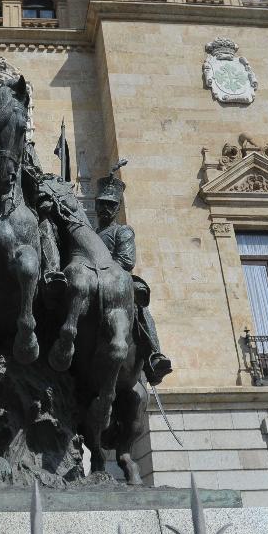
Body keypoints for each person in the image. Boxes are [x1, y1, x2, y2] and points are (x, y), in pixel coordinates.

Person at [94, 162, 173, 385]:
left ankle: (154, 354)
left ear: (117, 207)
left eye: (109, 205)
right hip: (95, 276)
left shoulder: (123, 231)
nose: (104, 209)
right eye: (101, 204)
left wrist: (104, 271)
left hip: (118, 277)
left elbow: (126, 260)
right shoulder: (92, 233)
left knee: (138, 303)